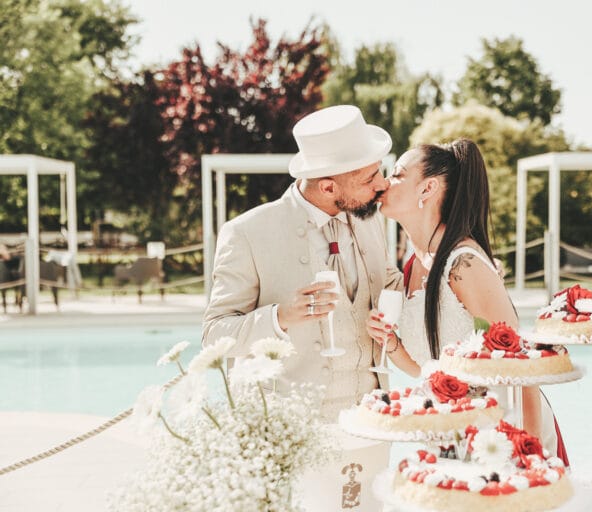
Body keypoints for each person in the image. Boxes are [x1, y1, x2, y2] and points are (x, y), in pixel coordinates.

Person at [365, 139, 568, 461]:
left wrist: (530, 453)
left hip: (503, 433)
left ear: (427, 188)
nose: (386, 182)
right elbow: (426, 369)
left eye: (400, 174)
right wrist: (389, 341)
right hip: (452, 429)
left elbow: (524, 366)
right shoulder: (414, 264)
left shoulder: (463, 264)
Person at [202, 105, 402, 420]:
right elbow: (215, 335)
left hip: (372, 420)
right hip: (292, 431)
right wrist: (280, 317)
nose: (382, 184)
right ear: (327, 186)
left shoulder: (369, 218)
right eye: (369, 178)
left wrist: (447, 268)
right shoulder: (246, 233)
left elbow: (390, 284)